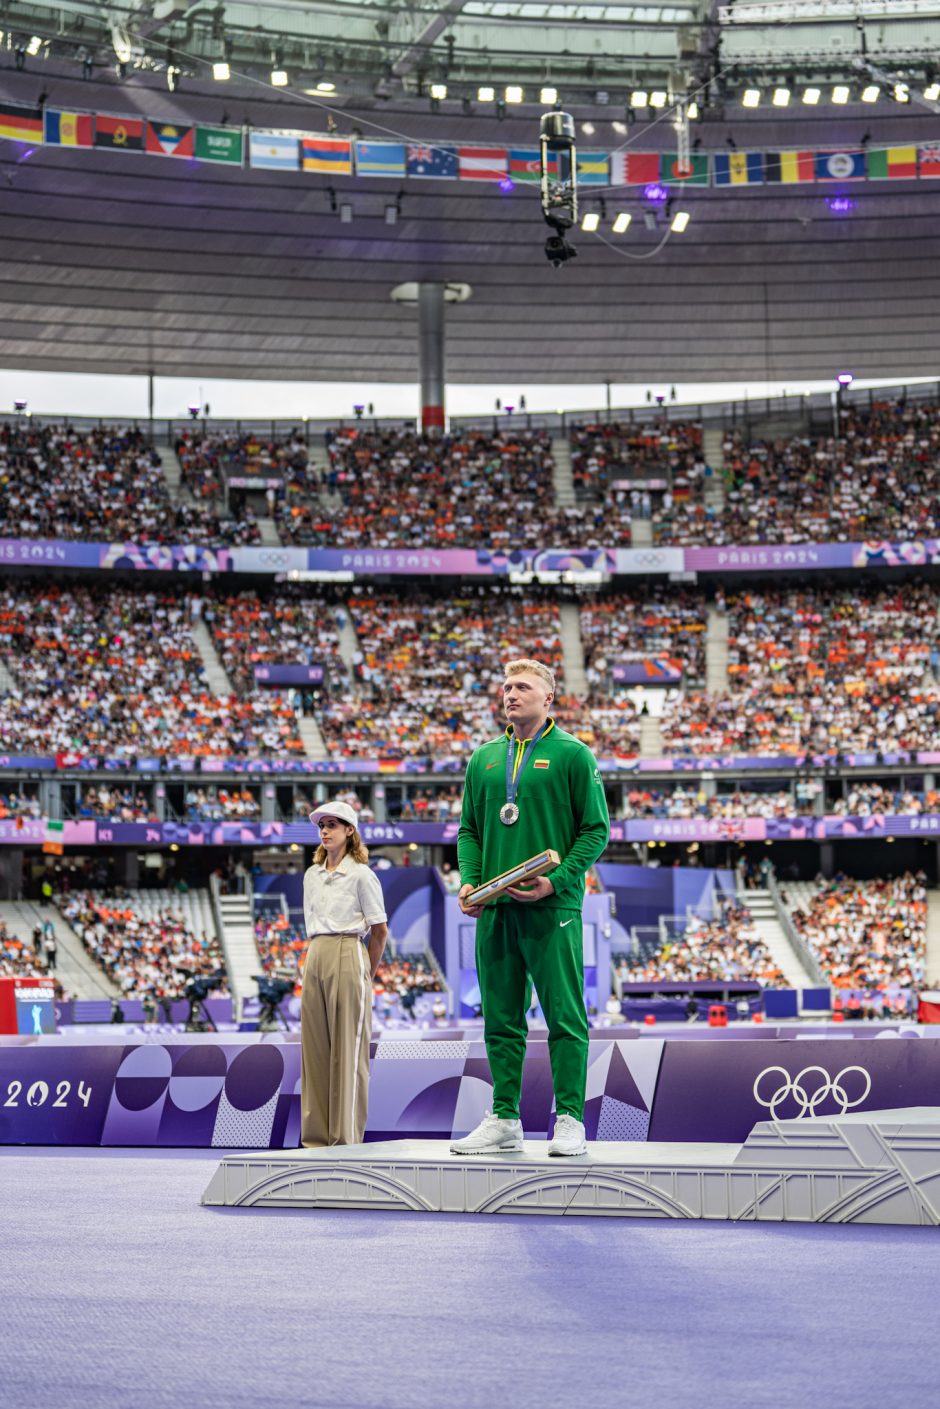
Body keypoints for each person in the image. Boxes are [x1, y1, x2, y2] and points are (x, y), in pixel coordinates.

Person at [451, 657, 610, 1158]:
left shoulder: (573, 755)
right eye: (506, 686)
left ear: (549, 698)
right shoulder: (483, 758)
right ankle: (503, 1118)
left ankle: (569, 1119)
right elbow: (470, 830)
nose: (510, 693)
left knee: (565, 1016)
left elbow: (595, 830)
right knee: (500, 1018)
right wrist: (471, 882)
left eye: (522, 686)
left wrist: (558, 880)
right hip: (496, 911)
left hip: (552, 909)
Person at [301, 800, 388, 1147]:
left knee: (349, 1052)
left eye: (332, 824)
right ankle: (315, 1139)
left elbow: (379, 931)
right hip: (316, 952)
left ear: (350, 830)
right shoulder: (311, 875)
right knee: (315, 1052)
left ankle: (345, 1140)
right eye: (321, 825)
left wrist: (365, 972)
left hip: (349, 950)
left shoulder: (362, 875)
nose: (324, 830)